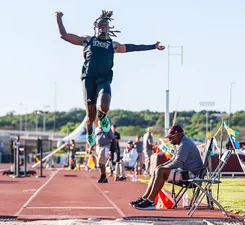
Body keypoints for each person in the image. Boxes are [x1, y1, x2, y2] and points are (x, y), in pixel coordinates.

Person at [56, 10, 165, 147]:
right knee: (90, 116)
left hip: (104, 78)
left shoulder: (113, 45)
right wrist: (59, 18)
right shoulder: (87, 40)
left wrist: (153, 47)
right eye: (100, 26)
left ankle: (102, 117)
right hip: (88, 79)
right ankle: (90, 131)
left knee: (104, 104)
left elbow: (133, 47)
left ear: (109, 29)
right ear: (95, 28)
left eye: (105, 26)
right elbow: (64, 36)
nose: (103, 28)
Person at [130, 125, 204, 210]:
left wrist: (161, 169)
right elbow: (173, 159)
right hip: (187, 173)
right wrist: (161, 167)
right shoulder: (182, 143)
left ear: (178, 135)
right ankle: (145, 198)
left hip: (192, 177)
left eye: (171, 137)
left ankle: (150, 201)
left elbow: (177, 163)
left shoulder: (185, 144)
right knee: (158, 169)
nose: (169, 139)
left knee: (160, 171)